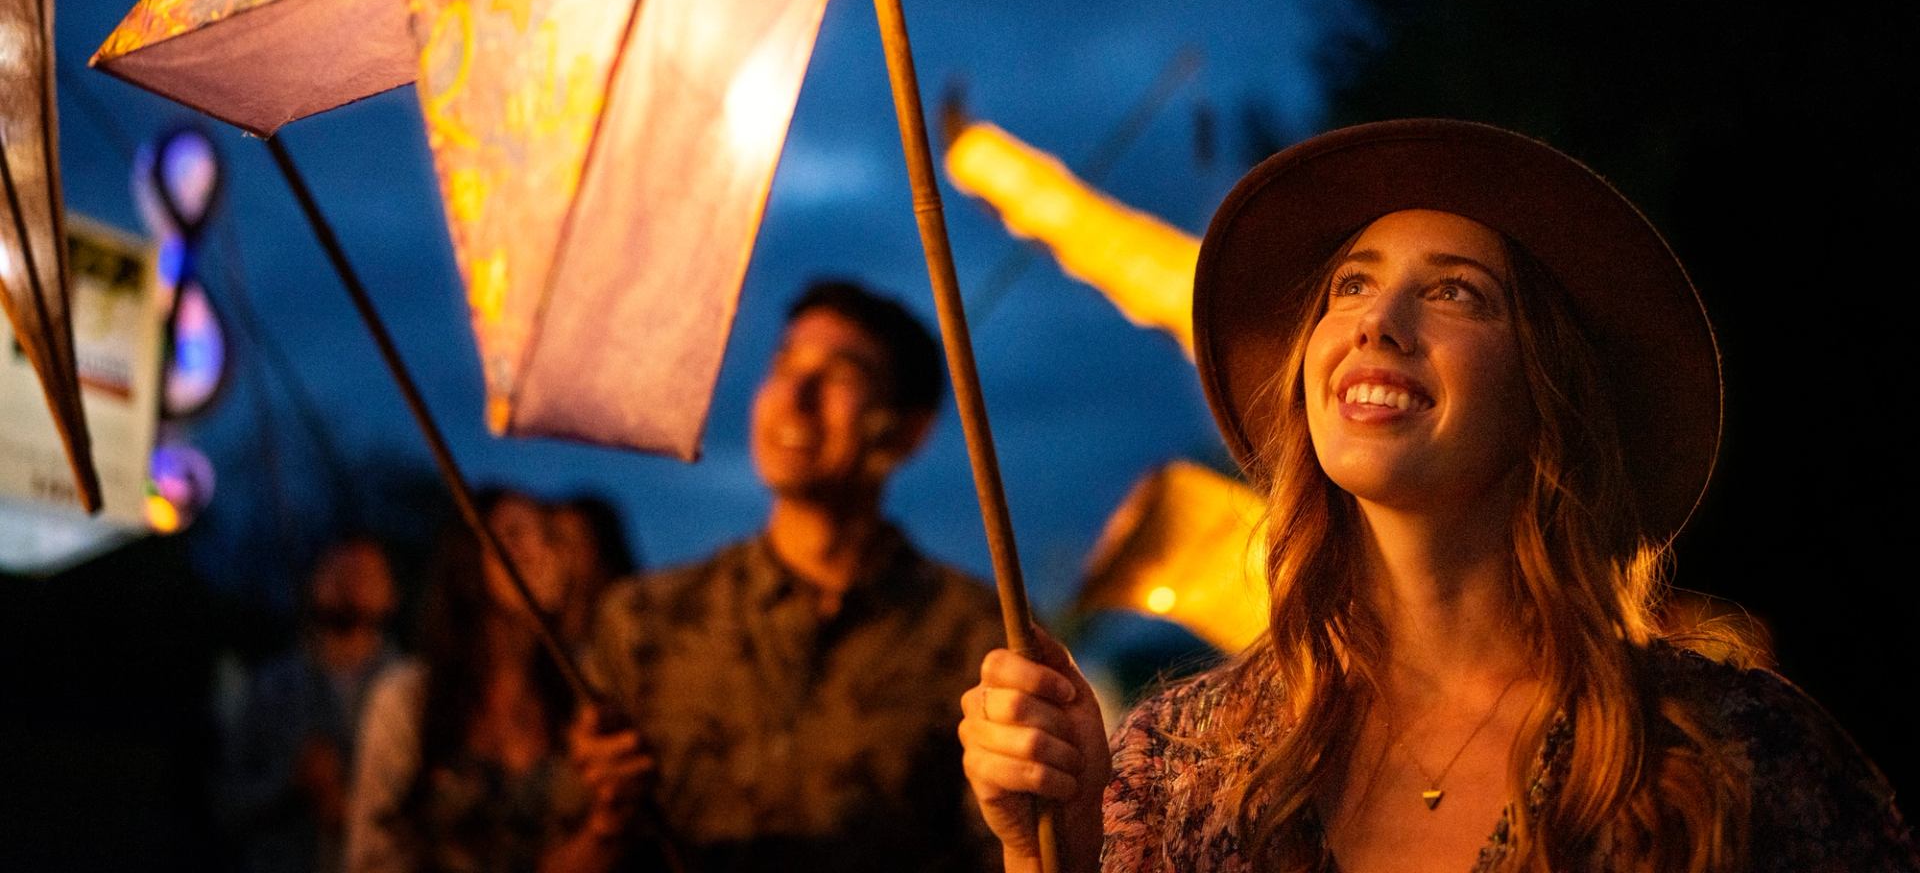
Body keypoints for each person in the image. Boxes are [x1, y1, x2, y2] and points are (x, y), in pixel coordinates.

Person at [958, 120, 1919, 872]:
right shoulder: (1174, 765)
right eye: (1348, 286)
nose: (1377, 321)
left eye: (1455, 292)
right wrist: (1049, 847)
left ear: (1549, 390)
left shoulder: (1735, 752)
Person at [569, 279, 1005, 872]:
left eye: (841, 376)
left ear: (908, 429)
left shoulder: (978, 641)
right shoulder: (646, 623)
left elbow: (1008, 853)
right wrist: (606, 823)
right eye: (783, 365)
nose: (795, 395)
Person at [345, 490, 612, 873]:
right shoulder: (406, 699)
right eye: (514, 535)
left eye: (551, 537)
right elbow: (373, 858)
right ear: (468, 559)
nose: (540, 551)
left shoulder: (583, 696)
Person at [225, 536, 402, 873]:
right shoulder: (271, 688)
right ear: (313, 583)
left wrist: (358, 811)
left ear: (392, 593)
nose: (350, 585)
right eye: (338, 571)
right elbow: (227, 802)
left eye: (365, 574)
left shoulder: (414, 689)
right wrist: (291, 783)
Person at [551, 494, 639, 656]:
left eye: (576, 540)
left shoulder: (631, 615)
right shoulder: (542, 633)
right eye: (558, 540)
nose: (566, 553)